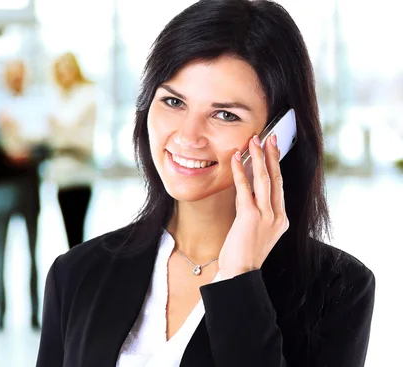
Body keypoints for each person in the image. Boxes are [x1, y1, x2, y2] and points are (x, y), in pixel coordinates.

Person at [36, 1, 375, 366]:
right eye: (174, 101)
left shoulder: (337, 291)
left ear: (281, 134)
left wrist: (239, 280)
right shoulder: (76, 274)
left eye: (225, 114)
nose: (188, 136)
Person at [0, 59, 49, 332]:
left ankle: (34, 313)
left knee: (32, 252)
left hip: (28, 187)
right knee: (1, 253)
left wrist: (28, 150)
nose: (16, 80)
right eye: (12, 75)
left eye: (20, 75)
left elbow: (44, 145)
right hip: (1, 189)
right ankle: (1, 314)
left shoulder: (37, 105)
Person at [47, 52, 98, 249]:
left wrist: (61, 133)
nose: (64, 75)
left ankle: (81, 277)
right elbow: (54, 136)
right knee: (69, 234)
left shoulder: (87, 96)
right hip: (62, 176)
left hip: (81, 173)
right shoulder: (56, 98)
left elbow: (82, 140)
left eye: (67, 69)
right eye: (60, 72)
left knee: (78, 233)